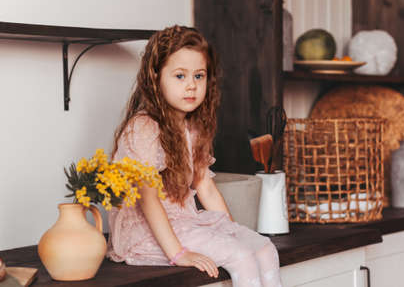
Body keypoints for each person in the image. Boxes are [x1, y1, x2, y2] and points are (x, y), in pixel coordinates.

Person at [107, 25, 282, 287]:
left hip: (186, 222)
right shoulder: (144, 128)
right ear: (155, 78)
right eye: (180, 76)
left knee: (266, 249)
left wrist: (232, 231)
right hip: (148, 231)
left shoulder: (193, 126)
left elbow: (205, 187)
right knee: (242, 257)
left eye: (199, 76)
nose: (191, 86)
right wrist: (178, 253)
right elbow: (148, 199)